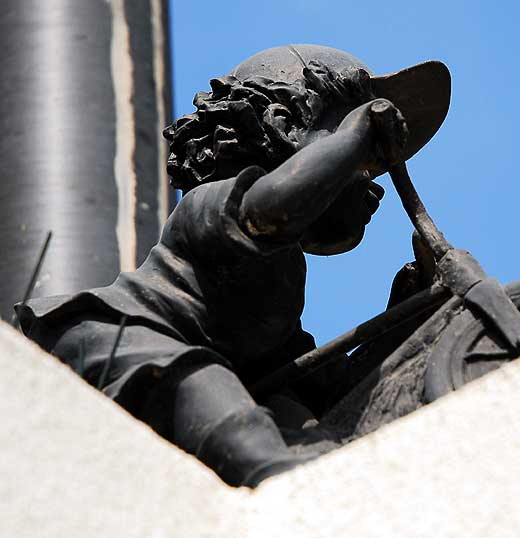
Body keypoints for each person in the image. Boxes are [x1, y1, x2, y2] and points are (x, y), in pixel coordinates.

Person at [16, 45, 450, 487]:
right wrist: (356, 139)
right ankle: (283, 482)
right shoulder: (219, 206)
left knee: (304, 425)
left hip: (219, 371)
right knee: (212, 394)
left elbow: (321, 386)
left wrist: (405, 315)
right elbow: (274, 210)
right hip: (124, 341)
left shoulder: (282, 278)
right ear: (283, 128)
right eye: (363, 163)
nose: (372, 186)